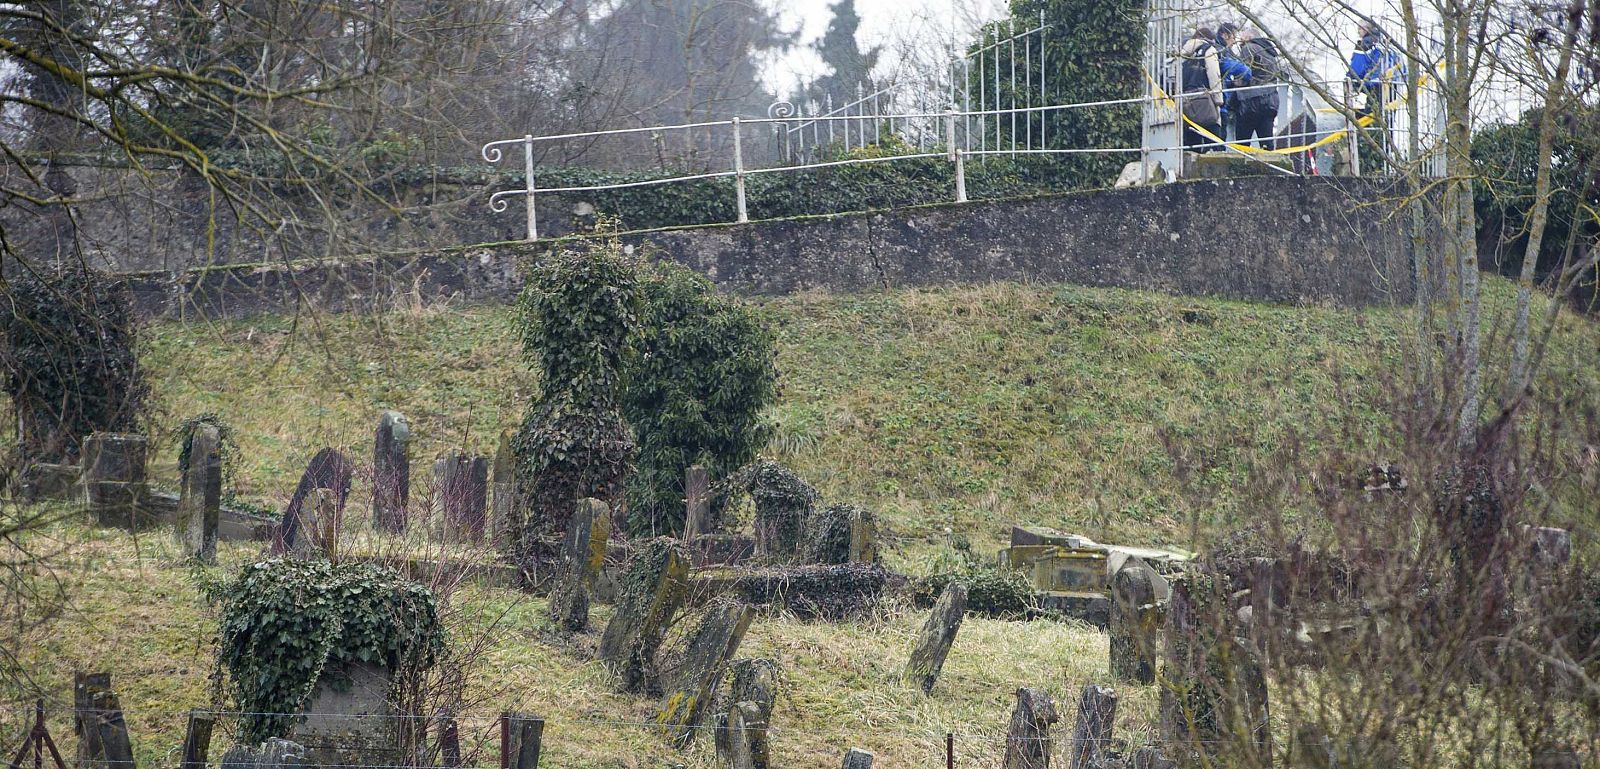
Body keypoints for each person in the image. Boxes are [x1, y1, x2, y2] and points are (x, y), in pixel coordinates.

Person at [1176, 27, 1248, 151]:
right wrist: (1218, 100)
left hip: (1185, 100)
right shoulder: (1209, 50)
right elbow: (1214, 76)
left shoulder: (1182, 52)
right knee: (1215, 139)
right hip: (1204, 100)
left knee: (1192, 142)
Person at [1235, 29, 1284, 148]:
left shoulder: (1248, 48)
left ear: (1249, 37)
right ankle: (1269, 164)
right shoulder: (1269, 51)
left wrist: (1234, 83)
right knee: (1266, 142)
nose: (1239, 39)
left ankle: (1241, 166)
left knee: (1242, 142)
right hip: (1271, 100)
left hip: (1251, 101)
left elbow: (1243, 74)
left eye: (1242, 37)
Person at [1348, 20, 1402, 118]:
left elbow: (1357, 67)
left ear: (1365, 29)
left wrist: (1350, 79)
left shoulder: (1366, 44)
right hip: (1393, 86)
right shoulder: (1386, 44)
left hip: (1375, 85)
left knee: (1371, 117)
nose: (1358, 31)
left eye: (1359, 28)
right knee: (1387, 118)